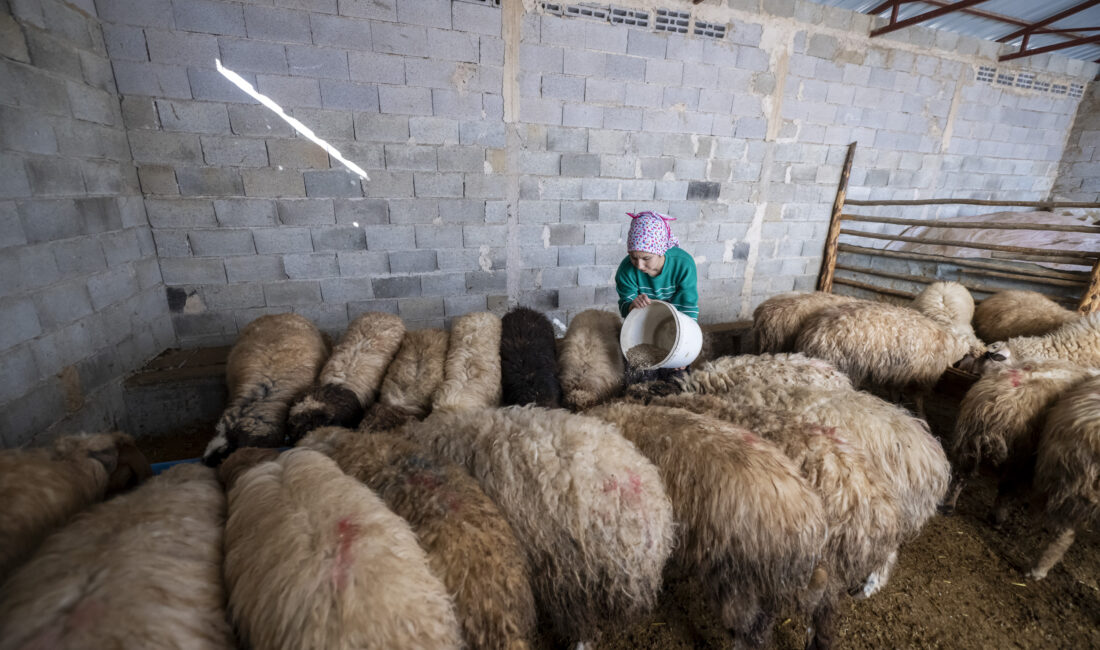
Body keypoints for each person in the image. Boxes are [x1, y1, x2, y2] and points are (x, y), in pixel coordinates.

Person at [615, 211, 699, 320]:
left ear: (661, 251)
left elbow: (688, 306)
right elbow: (625, 306)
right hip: (644, 318)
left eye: (646, 258)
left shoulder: (683, 266)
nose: (639, 266)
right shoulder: (626, 271)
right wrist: (632, 305)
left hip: (676, 318)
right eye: (634, 257)